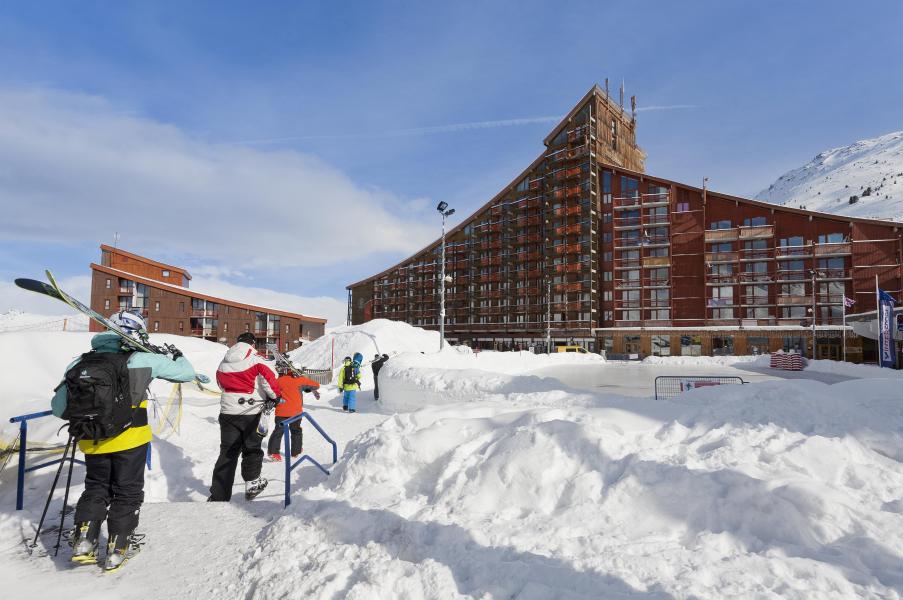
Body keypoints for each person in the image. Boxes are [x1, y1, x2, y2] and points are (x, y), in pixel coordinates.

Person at [53, 309, 197, 571]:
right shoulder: (143, 359)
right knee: (127, 491)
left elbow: (58, 407)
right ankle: (118, 547)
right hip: (131, 438)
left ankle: (84, 539)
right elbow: (186, 373)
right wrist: (177, 354)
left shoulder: (79, 363)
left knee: (96, 487)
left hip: (92, 438)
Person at [208, 332, 282, 502]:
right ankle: (252, 483)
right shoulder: (256, 359)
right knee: (252, 448)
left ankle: (219, 495)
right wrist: (274, 397)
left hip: (227, 411)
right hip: (251, 410)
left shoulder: (224, 361)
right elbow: (269, 381)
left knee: (227, 452)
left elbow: (220, 383)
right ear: (253, 344)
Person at [267, 364, 321, 461]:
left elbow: (271, 390)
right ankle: (296, 451)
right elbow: (316, 385)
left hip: (281, 411)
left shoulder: (280, 380)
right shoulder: (300, 380)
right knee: (296, 431)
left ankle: (273, 452)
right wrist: (306, 384)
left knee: (278, 431)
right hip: (295, 412)